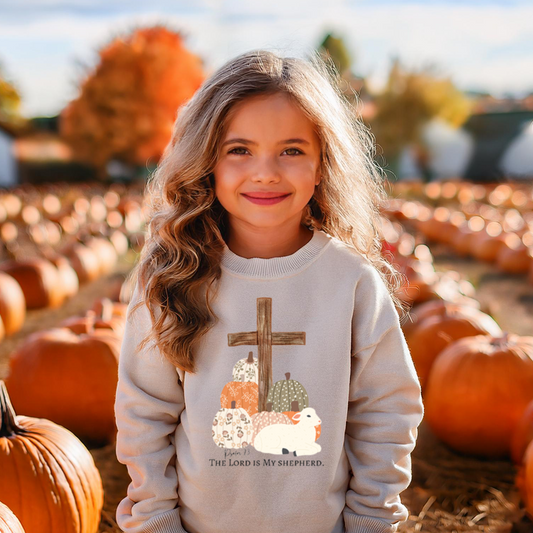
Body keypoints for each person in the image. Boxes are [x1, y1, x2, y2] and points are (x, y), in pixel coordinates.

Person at [114, 49, 424, 533]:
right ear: (207, 161)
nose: (265, 172)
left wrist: (370, 519)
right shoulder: (170, 277)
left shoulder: (351, 281)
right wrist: (155, 521)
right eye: (239, 149)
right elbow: (144, 416)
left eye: (292, 150)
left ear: (322, 163)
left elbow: (386, 412)